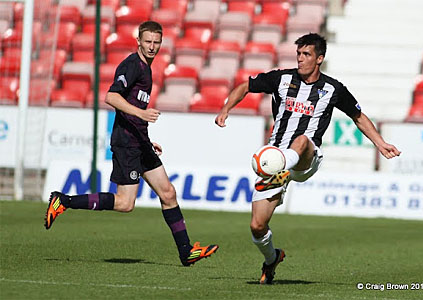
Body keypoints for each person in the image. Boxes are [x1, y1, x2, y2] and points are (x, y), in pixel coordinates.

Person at [215, 33, 401, 284]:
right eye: (299, 54)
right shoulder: (281, 78)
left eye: (306, 55)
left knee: (302, 139)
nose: (301, 59)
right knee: (257, 227)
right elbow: (245, 86)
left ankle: (281, 170)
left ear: (320, 59)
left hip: (305, 158)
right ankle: (272, 259)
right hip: (274, 157)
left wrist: (380, 144)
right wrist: (226, 108)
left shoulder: (333, 88)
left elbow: (358, 116)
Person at [44, 21, 218, 267]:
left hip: (139, 141)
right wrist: (141, 114)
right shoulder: (132, 66)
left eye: (156, 42)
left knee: (168, 193)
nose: (152, 46)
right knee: (125, 204)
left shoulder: (147, 68)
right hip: (126, 143)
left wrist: (147, 139)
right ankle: (64, 201)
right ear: (138, 40)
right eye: (147, 41)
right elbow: (111, 96)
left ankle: (186, 251)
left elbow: (131, 105)